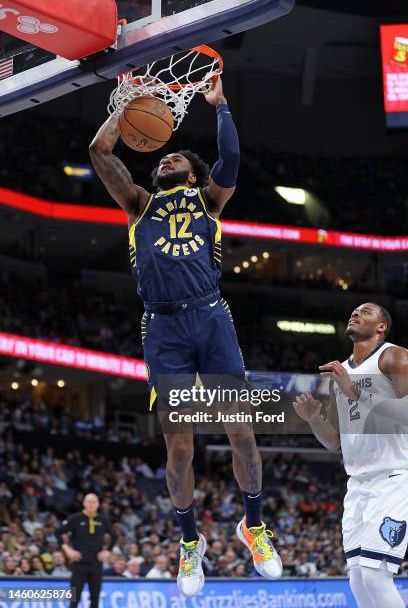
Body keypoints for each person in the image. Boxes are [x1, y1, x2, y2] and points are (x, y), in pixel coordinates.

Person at [89, 76, 282, 597]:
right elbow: (99, 150)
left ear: (195, 176)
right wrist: (125, 107)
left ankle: (254, 525)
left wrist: (221, 108)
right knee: (179, 450)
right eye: (164, 157)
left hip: (211, 319)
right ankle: (189, 541)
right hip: (164, 327)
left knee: (241, 433)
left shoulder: (210, 203)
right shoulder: (137, 203)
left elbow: (232, 161)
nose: (167, 158)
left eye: (178, 159)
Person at [293, 302, 408, 608]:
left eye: (366, 311)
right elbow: (333, 442)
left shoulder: (394, 356)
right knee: (357, 578)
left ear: (382, 326)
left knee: (375, 576)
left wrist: (356, 392)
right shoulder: (340, 373)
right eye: (354, 311)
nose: (356, 313)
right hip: (357, 484)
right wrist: (313, 419)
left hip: (394, 477)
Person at [57, 493, 116, 608]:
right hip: (79, 563)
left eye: (94, 502)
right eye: (89, 501)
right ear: (84, 503)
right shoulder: (75, 519)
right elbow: (58, 532)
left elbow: (114, 536)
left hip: (96, 564)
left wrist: (108, 551)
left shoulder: (103, 520)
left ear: (98, 504)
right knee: (74, 599)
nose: (91, 504)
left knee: (95, 599)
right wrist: (67, 549)